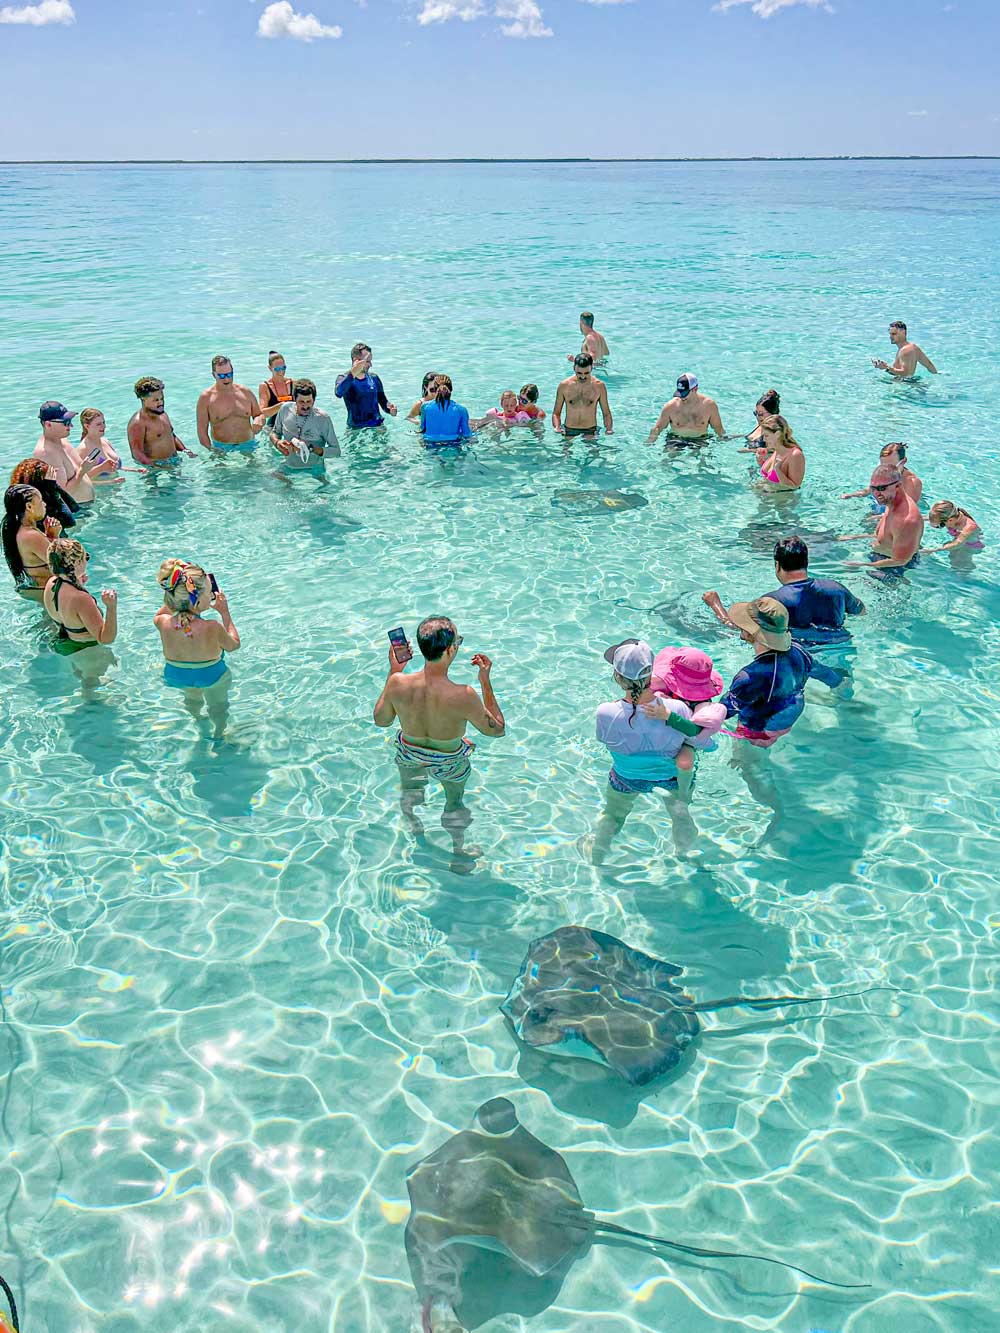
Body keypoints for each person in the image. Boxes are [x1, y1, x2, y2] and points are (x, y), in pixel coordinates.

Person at [373, 615, 505, 870]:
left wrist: (394, 671)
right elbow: (497, 730)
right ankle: (458, 852)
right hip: (449, 760)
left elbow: (381, 721)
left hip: (410, 753)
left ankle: (414, 828)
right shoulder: (463, 694)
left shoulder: (398, 683)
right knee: (454, 803)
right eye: (458, 641)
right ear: (450, 650)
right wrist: (485, 681)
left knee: (411, 793)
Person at [703, 536, 864, 690]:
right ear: (807, 562)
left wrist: (716, 605)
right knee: (842, 689)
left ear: (777, 565)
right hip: (840, 649)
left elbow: (742, 630)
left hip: (797, 659)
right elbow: (861, 611)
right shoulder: (835, 588)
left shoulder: (772, 603)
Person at [590, 639, 700, 861]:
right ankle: (685, 854)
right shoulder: (676, 709)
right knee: (680, 814)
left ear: (618, 677)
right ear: (652, 674)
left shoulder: (605, 712)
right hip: (671, 780)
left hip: (626, 778)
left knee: (613, 816)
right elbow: (695, 739)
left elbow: (605, 741)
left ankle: (597, 856)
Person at [154, 559, 241, 737]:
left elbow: (164, 610)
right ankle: (219, 733)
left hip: (177, 675)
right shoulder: (212, 627)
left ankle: (198, 719)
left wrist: (178, 594)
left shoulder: (162, 622)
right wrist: (225, 612)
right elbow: (234, 645)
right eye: (209, 592)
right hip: (211, 676)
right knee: (218, 706)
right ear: (197, 599)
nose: (211, 595)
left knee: (192, 698)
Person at [720, 598, 813, 747]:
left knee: (743, 757)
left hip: (759, 729)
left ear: (752, 633)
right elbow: (825, 674)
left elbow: (724, 711)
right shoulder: (799, 650)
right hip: (791, 712)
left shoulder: (751, 676)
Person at [839, 463, 924, 574]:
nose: (876, 493)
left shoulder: (906, 520)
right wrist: (855, 537)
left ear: (898, 486)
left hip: (894, 569)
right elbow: (887, 536)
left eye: (881, 488)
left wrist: (863, 565)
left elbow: (901, 560)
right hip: (880, 556)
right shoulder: (891, 501)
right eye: (873, 488)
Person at [43, 537, 117, 654]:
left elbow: (69, 613)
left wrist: (78, 584)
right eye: (85, 558)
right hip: (87, 651)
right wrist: (111, 607)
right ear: (77, 563)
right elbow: (106, 639)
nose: (86, 562)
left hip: (63, 644)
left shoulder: (51, 584)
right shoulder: (81, 599)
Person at [269, 378, 340, 479]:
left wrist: (311, 448)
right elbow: (275, 433)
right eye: (301, 402)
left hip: (315, 469)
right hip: (289, 466)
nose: (305, 406)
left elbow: (336, 451)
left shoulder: (322, 418)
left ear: (314, 400)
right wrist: (277, 443)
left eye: (309, 401)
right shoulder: (285, 409)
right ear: (294, 399)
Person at [2, 484, 61, 601]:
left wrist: (49, 537)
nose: (44, 504)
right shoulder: (31, 536)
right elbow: (62, 564)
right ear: (29, 506)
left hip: (36, 590)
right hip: (45, 592)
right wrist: (55, 537)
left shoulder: (19, 531)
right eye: (41, 501)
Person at [196, 356, 263, 455]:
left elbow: (259, 414)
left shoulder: (245, 392)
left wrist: (259, 420)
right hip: (221, 448)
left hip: (248, 444)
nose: (227, 379)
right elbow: (202, 432)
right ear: (214, 375)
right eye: (222, 376)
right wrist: (212, 450)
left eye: (229, 374)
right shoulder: (206, 398)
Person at [32, 402, 94, 503]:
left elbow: (80, 469)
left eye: (70, 421)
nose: (71, 425)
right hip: (76, 509)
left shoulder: (63, 440)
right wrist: (82, 471)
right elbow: (63, 492)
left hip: (88, 505)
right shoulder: (46, 453)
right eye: (65, 422)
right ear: (48, 424)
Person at [128, 377, 194, 465]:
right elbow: (137, 453)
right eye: (156, 400)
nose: (161, 403)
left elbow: (171, 435)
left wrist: (185, 450)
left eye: (162, 398)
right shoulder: (138, 423)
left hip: (173, 461)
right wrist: (155, 467)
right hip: (155, 466)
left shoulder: (162, 414)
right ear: (143, 399)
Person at [646, 373, 724, 444]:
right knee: (670, 454)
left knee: (701, 454)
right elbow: (657, 429)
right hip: (676, 438)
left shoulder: (709, 406)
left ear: (695, 389)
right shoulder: (670, 407)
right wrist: (648, 444)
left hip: (700, 439)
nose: (681, 397)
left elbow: (718, 429)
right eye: (680, 392)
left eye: (684, 393)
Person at [335, 342, 397, 429]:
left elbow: (383, 401)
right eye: (367, 361)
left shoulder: (374, 378)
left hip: (377, 425)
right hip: (355, 428)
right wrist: (353, 373)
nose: (370, 365)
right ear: (356, 360)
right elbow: (338, 393)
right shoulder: (343, 378)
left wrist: (390, 409)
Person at [841, 442, 921, 508]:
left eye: (891, 466)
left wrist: (880, 517)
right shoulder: (883, 472)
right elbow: (870, 490)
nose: (886, 470)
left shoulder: (912, 482)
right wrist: (852, 495)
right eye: (883, 465)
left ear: (903, 461)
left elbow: (908, 511)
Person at [552, 354, 612, 438]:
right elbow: (556, 413)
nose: (583, 376)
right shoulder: (564, 386)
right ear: (574, 368)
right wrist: (557, 427)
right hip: (569, 428)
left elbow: (606, 413)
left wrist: (609, 429)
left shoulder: (599, 386)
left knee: (593, 446)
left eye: (586, 373)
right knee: (565, 446)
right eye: (579, 373)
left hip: (590, 429)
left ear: (591, 368)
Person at [10, 459, 79, 530]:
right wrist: (53, 491)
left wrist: (54, 486)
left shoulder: (43, 498)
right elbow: (70, 523)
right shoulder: (37, 509)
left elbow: (74, 508)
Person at [77, 409, 133, 482]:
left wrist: (135, 470)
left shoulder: (106, 442)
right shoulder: (84, 449)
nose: (103, 426)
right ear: (87, 426)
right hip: (101, 489)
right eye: (98, 424)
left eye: (103, 422)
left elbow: (115, 468)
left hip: (116, 486)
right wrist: (110, 482)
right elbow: (81, 479)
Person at [754, 414, 805, 491]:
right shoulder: (777, 450)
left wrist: (778, 470)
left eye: (766, 436)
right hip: (766, 495)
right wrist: (760, 462)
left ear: (777, 434)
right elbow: (769, 476)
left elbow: (795, 486)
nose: (764, 439)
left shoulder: (795, 455)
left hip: (781, 498)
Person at [872, 320, 937, 379]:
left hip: (905, 385)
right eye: (890, 334)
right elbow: (929, 365)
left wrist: (887, 368)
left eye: (894, 334)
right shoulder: (913, 347)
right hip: (909, 383)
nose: (890, 337)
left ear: (903, 332)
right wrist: (885, 367)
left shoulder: (905, 350)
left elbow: (906, 374)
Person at [420, 376, 472, 446]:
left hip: (429, 443)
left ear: (435, 390)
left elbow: (422, 428)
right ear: (451, 389)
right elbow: (466, 434)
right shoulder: (461, 410)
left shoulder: (425, 407)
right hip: (453, 444)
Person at [258, 351, 294, 426]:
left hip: (292, 424)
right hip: (273, 426)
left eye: (283, 368)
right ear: (270, 368)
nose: (281, 371)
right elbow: (262, 413)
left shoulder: (293, 383)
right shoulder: (265, 386)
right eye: (277, 369)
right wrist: (281, 406)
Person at [472, 390, 537, 429]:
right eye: (506, 405)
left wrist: (512, 424)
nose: (509, 408)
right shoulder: (496, 416)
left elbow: (529, 425)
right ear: (501, 404)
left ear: (515, 405)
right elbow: (480, 422)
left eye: (512, 405)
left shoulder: (521, 417)